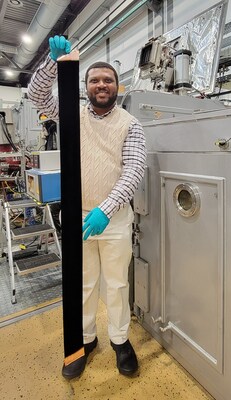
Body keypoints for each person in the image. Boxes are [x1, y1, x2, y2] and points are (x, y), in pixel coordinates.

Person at [28, 36, 146, 380]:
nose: (101, 84)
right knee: (83, 283)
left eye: (107, 79)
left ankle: (120, 340)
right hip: (78, 217)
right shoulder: (71, 114)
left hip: (114, 219)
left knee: (117, 284)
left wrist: (106, 210)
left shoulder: (130, 124)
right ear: (85, 86)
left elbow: (134, 169)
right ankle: (85, 340)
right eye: (94, 79)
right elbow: (36, 96)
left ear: (116, 86)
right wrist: (52, 63)